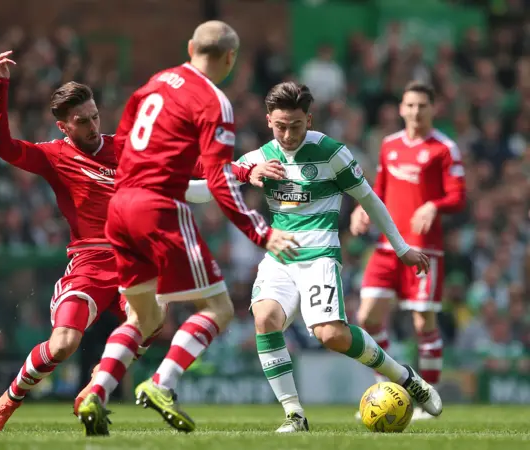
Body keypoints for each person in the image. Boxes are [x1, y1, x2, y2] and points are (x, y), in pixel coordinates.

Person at [0, 51, 275, 432]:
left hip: (133, 256)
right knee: (64, 343)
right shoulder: (52, 157)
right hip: (89, 261)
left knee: (151, 323)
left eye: (94, 117)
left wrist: (243, 169)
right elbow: (1, 146)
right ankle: (8, 400)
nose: (91, 126)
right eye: (81, 122)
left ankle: (94, 390)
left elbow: (192, 164)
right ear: (63, 126)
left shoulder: (125, 147)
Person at [77, 21, 298, 436]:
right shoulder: (215, 102)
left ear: (191, 46)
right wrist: (262, 233)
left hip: (120, 207)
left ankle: (96, 392)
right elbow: (217, 179)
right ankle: (163, 382)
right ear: (230, 58)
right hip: (158, 208)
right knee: (218, 309)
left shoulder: (154, 83)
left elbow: (124, 144)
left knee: (145, 317)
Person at [188, 81, 443, 432]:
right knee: (265, 318)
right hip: (279, 256)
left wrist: (402, 248)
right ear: (268, 121)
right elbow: (206, 192)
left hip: (320, 255)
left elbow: (370, 200)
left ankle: (405, 377)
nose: (288, 134)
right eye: (280, 126)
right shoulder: (260, 158)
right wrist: (243, 172)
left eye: (296, 125)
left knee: (331, 335)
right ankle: (295, 414)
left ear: (308, 119)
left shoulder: (331, 152)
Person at [350, 81, 466, 420]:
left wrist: (434, 205)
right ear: (401, 108)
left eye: (422, 106)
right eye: (410, 105)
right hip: (387, 247)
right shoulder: (389, 145)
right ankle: (384, 390)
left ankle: (428, 397)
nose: (416, 111)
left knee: (422, 323)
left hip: (424, 250)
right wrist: (362, 210)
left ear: (433, 109)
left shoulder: (445, 148)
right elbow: (380, 190)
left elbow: (458, 196)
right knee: (367, 318)